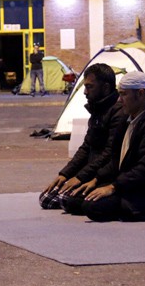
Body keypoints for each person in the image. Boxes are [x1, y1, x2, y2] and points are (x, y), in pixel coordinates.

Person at [62, 71, 145, 222]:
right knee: (72, 200)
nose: (120, 100)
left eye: (124, 95)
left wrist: (113, 187)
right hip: (127, 186)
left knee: (92, 207)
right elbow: (116, 160)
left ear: (141, 94)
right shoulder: (129, 119)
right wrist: (96, 180)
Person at [39, 63, 125, 209]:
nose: (85, 92)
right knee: (47, 198)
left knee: (68, 200)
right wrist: (65, 174)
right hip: (91, 170)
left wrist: (82, 177)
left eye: (90, 87)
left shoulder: (118, 112)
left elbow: (109, 154)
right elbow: (86, 147)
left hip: (105, 174)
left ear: (105, 88)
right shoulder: (97, 110)